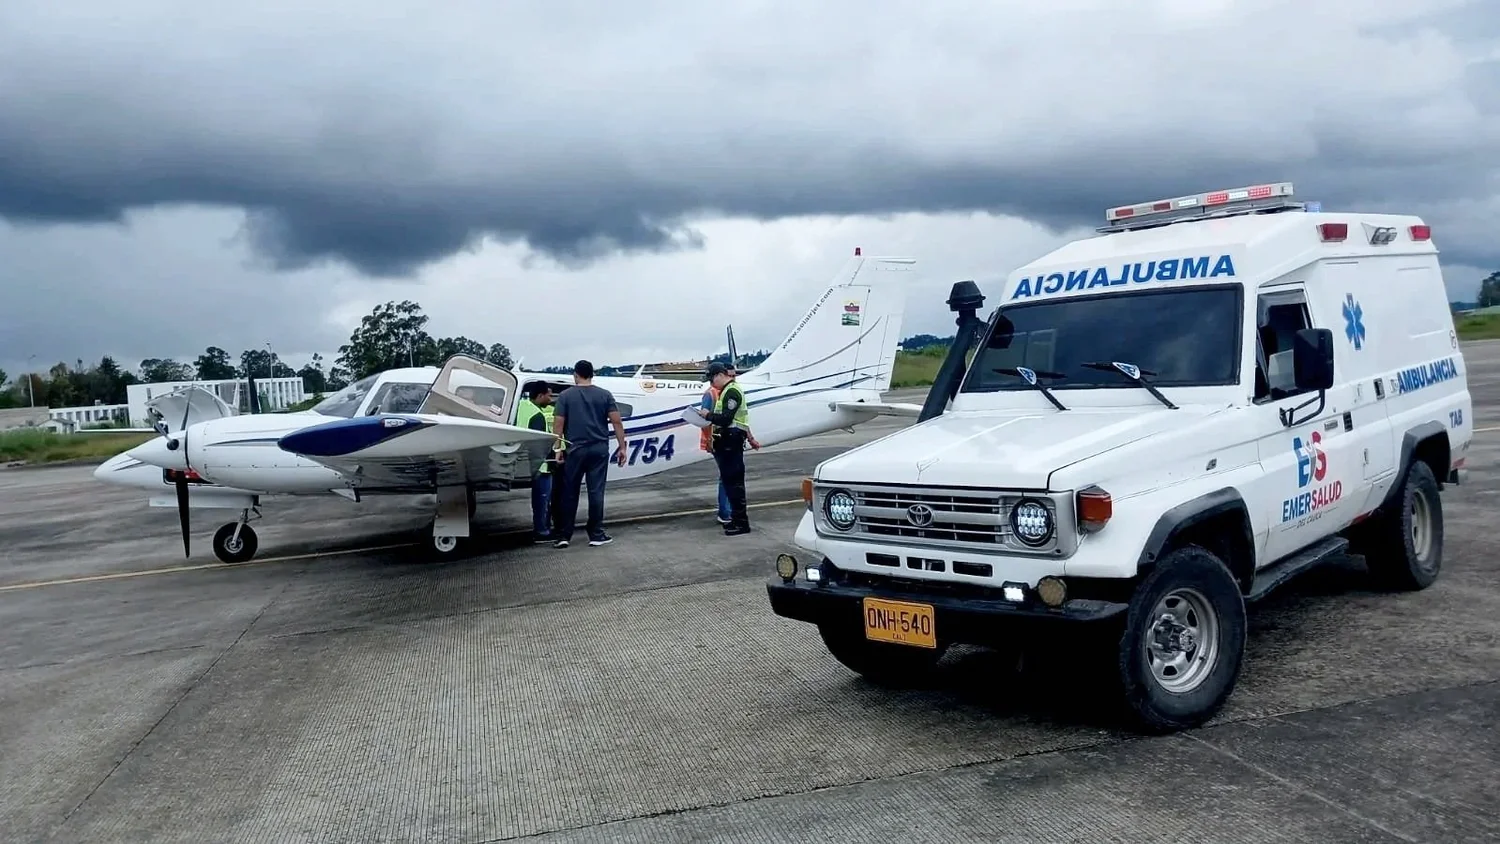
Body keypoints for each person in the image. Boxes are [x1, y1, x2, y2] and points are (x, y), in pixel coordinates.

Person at [550, 360, 628, 548]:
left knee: (569, 492)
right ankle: (596, 533)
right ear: (592, 374)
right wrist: (622, 447)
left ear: (576, 375)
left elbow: (558, 424)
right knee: (596, 491)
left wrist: (557, 448)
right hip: (598, 449)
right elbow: (616, 422)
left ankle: (564, 535)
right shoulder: (604, 395)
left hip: (574, 449)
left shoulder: (565, 396)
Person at [697, 361, 754, 535]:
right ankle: (736, 520)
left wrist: (708, 415)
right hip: (728, 441)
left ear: (720, 375)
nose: (711, 384)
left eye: (711, 379)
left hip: (732, 440)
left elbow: (726, 419)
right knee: (730, 483)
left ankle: (741, 523)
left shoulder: (731, 392)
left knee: (734, 484)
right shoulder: (725, 392)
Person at [516, 382, 557, 543]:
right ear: (540, 395)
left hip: (526, 462)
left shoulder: (523, 406)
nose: (550, 398)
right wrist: (553, 458)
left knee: (538, 500)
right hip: (541, 466)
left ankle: (541, 529)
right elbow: (540, 445)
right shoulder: (538, 416)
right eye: (549, 395)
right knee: (542, 500)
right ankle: (542, 532)